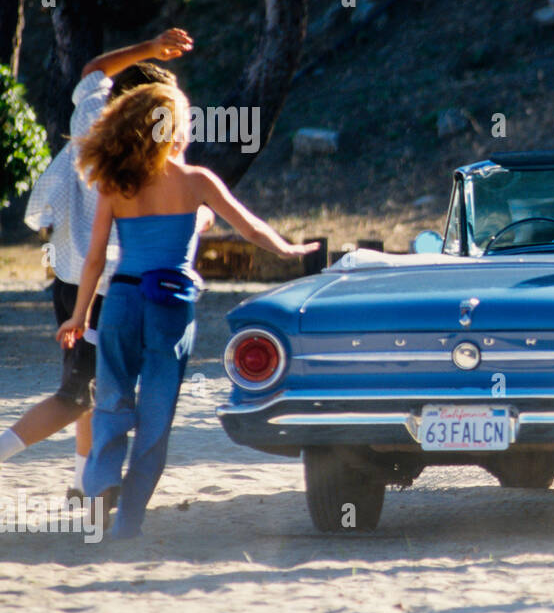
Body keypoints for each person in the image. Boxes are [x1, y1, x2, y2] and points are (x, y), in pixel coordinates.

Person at [56, 82, 317, 539]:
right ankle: (126, 527)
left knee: (113, 400)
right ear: (173, 129)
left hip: (120, 303)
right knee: (155, 419)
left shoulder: (116, 181)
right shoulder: (197, 182)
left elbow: (95, 258)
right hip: (170, 307)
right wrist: (290, 249)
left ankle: (99, 483)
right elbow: (251, 229)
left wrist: (78, 316)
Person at [0, 30, 199, 498]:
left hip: (69, 275)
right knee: (75, 395)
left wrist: (149, 47)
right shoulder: (148, 157)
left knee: (90, 388)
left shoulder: (93, 120)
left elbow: (92, 72)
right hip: (106, 287)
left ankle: (84, 484)